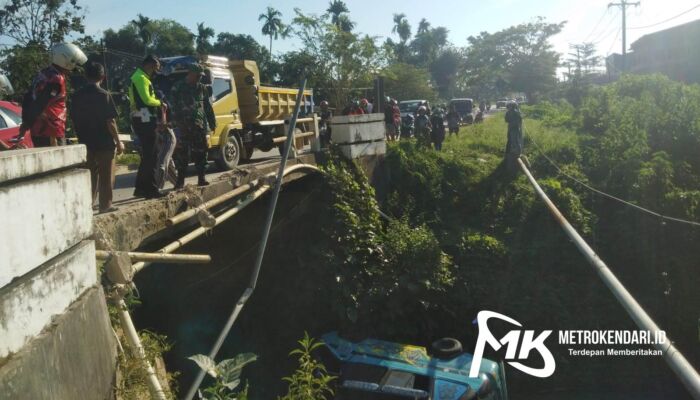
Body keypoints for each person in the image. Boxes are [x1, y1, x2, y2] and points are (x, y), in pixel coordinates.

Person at [71, 61, 123, 213]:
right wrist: (118, 142)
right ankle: (105, 205)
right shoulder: (104, 95)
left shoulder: (76, 96)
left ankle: (88, 205)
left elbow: (73, 118)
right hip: (104, 142)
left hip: (85, 142)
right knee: (106, 175)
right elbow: (110, 121)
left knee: (89, 175)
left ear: (85, 76)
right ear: (103, 76)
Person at [19, 43, 87, 147]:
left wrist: (26, 122)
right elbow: (41, 103)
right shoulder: (56, 79)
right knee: (58, 162)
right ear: (66, 60)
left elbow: (28, 97)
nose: (75, 65)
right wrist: (27, 122)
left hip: (38, 129)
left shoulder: (43, 73)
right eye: (73, 61)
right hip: (51, 131)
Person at [171, 63, 216, 188]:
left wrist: (212, 123)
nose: (199, 78)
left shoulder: (202, 88)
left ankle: (202, 178)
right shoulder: (178, 87)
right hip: (183, 126)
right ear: (190, 73)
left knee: (201, 153)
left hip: (199, 126)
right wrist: (177, 124)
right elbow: (172, 107)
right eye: (197, 75)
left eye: (201, 76)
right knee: (182, 154)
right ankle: (180, 182)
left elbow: (207, 107)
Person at [129, 55, 165, 198]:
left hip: (143, 118)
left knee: (148, 156)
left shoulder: (140, 77)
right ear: (150, 65)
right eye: (155, 67)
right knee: (153, 155)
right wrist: (160, 102)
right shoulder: (140, 78)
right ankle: (151, 190)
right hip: (144, 119)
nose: (156, 71)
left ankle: (140, 189)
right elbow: (147, 99)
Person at [504, 101, 523, 168]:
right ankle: (510, 152)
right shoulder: (510, 112)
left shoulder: (515, 112)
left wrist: (513, 122)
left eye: (510, 106)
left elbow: (520, 119)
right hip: (511, 127)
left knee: (514, 140)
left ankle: (517, 153)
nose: (509, 107)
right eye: (508, 106)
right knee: (510, 139)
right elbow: (506, 120)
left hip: (514, 128)